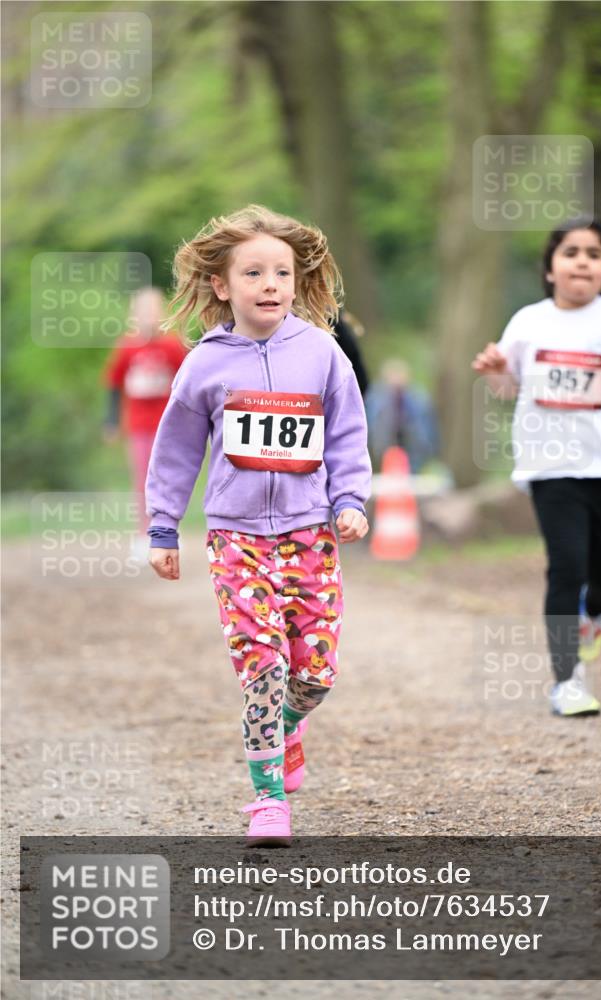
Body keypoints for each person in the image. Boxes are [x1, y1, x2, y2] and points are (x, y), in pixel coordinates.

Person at [145, 205, 371, 844]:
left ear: (297, 282)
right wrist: (163, 527)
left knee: (314, 674)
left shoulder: (323, 354)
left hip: (310, 533)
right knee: (262, 666)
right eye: (253, 273)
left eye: (281, 272)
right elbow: (177, 450)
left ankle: (291, 727)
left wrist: (351, 499)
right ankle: (269, 800)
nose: (270, 284)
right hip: (236, 537)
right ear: (223, 285)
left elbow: (350, 433)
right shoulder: (205, 364)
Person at [473, 217, 601, 717]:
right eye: (571, 252)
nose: (583, 260)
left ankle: (591, 617)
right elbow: (506, 387)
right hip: (549, 466)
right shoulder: (530, 321)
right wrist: (497, 372)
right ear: (550, 268)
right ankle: (567, 679)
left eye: (595, 254)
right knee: (567, 566)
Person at [103, 287, 188, 536]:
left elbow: (186, 384)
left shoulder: (172, 346)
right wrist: (110, 422)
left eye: (153, 311)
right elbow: (113, 383)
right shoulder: (127, 348)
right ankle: (145, 533)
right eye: (143, 311)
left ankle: (168, 531)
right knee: (143, 479)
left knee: (168, 478)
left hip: (167, 425)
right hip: (139, 425)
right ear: (134, 315)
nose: (148, 316)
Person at [365, 358, 440, 472]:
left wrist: (430, 448)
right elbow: (370, 423)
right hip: (384, 448)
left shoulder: (418, 397)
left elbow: (428, 425)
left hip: (413, 448)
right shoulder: (376, 397)